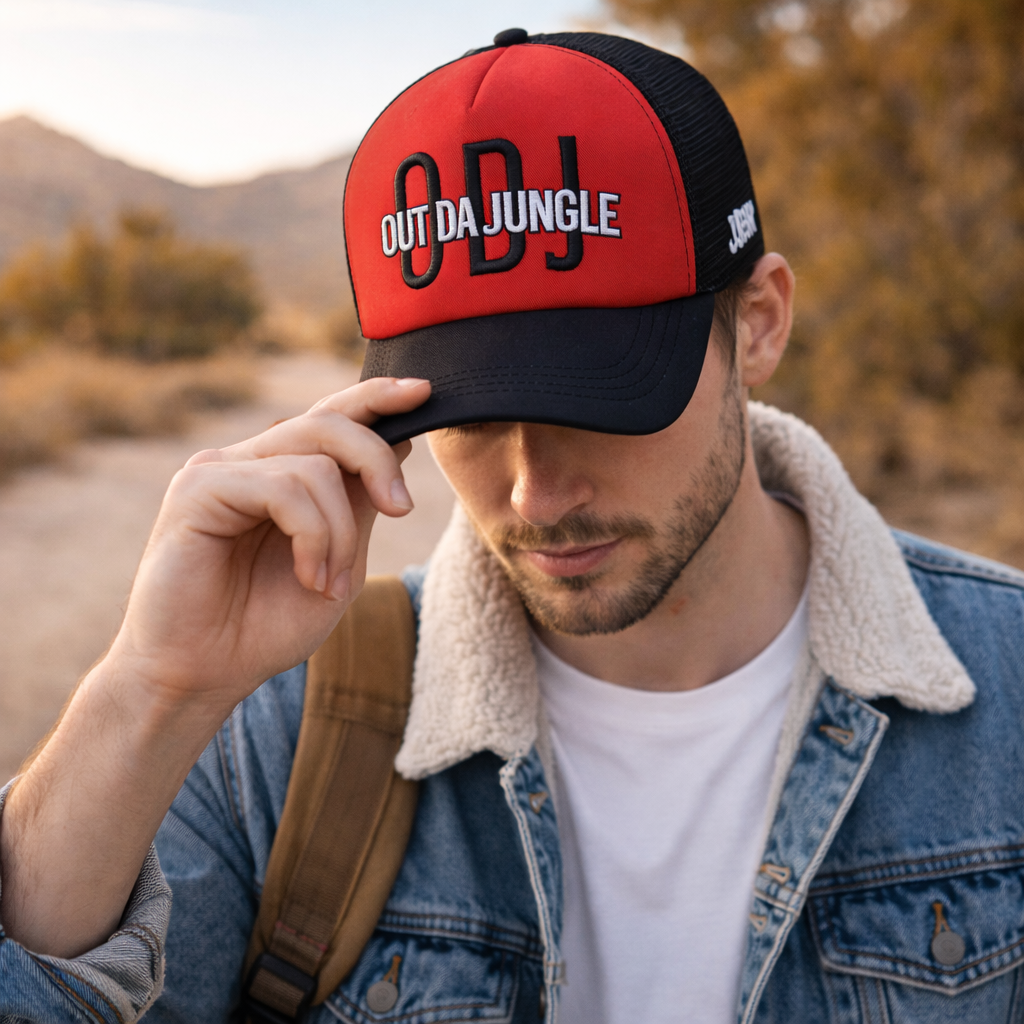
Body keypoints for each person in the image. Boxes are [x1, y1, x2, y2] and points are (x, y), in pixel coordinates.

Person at [1, 29, 1022, 1024]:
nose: (533, 494)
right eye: (472, 416)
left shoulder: (1006, 686)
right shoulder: (279, 727)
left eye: (601, 401)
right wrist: (146, 688)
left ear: (757, 322)